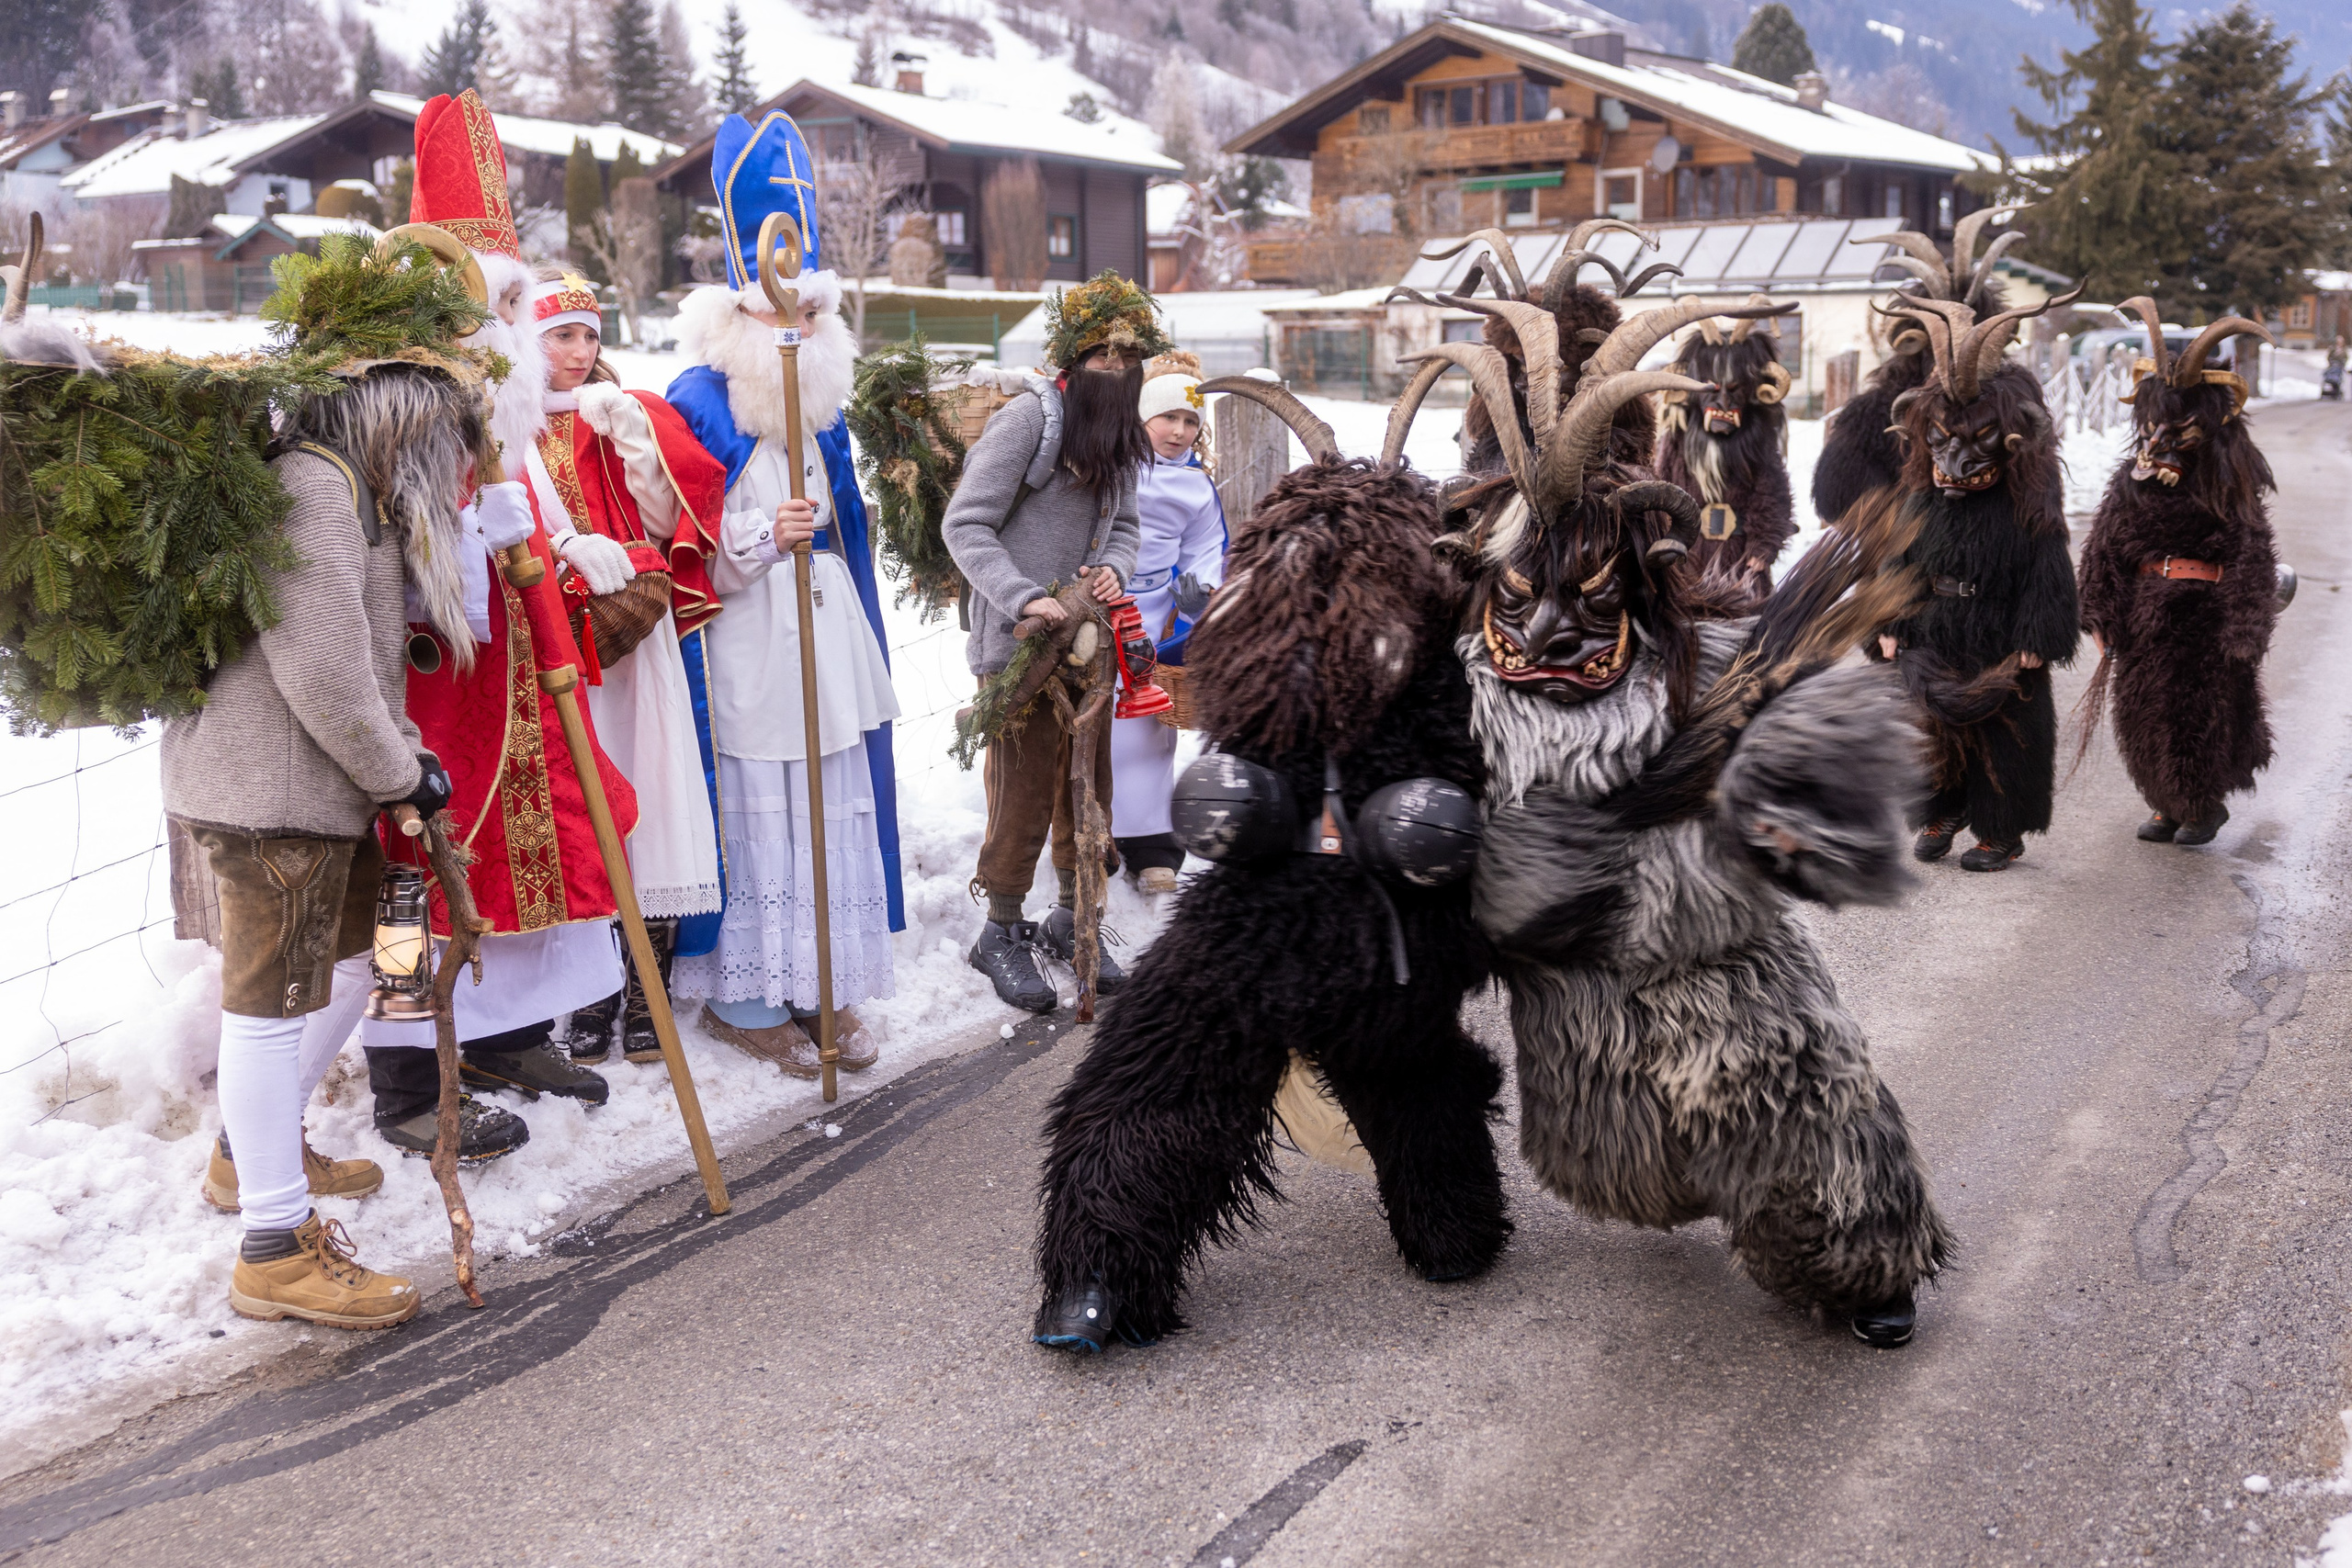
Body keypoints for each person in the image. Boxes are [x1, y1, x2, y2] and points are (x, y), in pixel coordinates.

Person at [1439, 263, 1952, 1348]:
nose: (1540, 640)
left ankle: (1859, 1265)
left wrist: (1760, 825)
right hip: (1576, 1003)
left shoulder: (1706, 667)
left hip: (1728, 987)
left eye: (1583, 602)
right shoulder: (1457, 686)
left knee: (1790, 1128)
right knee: (1634, 1165)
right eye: (1521, 602)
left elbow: (1835, 796)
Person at [1032, 389, 1507, 1352]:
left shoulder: (1449, 658)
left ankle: (1449, 1221)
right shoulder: (1266, 647)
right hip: (1261, 911)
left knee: (1409, 1075)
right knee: (1155, 1063)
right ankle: (1098, 1271)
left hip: (1395, 924)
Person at [164, 290, 493, 1325]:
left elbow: (361, 670)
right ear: (400, 415)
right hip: (273, 798)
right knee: (265, 1009)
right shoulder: (316, 488)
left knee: (357, 970)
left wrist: (401, 761)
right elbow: (322, 674)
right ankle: (272, 1245)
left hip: (323, 793)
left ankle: (244, 1153)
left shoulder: (355, 488)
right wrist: (402, 774)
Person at [357, 89, 639, 1153]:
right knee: (413, 868)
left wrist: (563, 543)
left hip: (517, 663)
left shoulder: (497, 391)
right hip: (431, 677)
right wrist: (479, 539)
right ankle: (401, 1074)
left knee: (544, 840)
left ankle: (508, 1030)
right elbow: (396, 544)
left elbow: (521, 482)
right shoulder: (396, 392)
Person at [663, 109, 902, 1076]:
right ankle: (749, 994)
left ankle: (822, 981)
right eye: (781, 315)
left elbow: (845, 521)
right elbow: (685, 554)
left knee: (829, 798)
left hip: (821, 634)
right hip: (748, 641)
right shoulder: (698, 401)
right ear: (743, 314)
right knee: (764, 808)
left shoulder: (822, 404)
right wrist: (764, 536)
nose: (798, 328)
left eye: (810, 315)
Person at [524, 273, 731, 1064]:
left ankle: (650, 986)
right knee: (584, 803)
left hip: (630, 634)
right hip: (556, 642)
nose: (581, 353)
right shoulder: (509, 427)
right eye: (562, 335)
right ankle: (594, 987)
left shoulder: (619, 413)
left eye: (590, 335)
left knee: (650, 792)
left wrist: (637, 441)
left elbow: (667, 514)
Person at [944, 271, 1159, 1012]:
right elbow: (963, 524)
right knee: (1025, 789)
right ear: (1073, 361)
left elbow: (1126, 527)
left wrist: (1111, 570)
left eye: (1129, 361)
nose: (1117, 371)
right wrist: (1023, 597)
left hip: (1087, 646)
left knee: (1089, 790)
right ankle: (999, 930)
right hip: (1018, 647)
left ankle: (1075, 917)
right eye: (1103, 357)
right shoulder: (1027, 423)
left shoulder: (1117, 435)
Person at [1872, 290, 2081, 873]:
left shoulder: (2029, 496)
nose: (1954, 463)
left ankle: (2001, 829)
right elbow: (1900, 556)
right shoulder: (1921, 488)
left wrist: (2040, 633)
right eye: (1943, 440)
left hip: (2000, 629)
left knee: (2005, 729)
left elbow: (2049, 562)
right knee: (1926, 721)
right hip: (1934, 625)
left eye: (1978, 441)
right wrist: (1888, 622)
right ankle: (1940, 810)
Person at [2076, 303, 2279, 846]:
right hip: (2145, 615)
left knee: (2194, 713)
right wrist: (2097, 607)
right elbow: (2105, 543)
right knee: (2141, 710)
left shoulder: (2227, 478)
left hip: (2203, 616)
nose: (2161, 436)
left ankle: (2199, 805)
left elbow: (2252, 552)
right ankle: (2163, 803)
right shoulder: (2134, 478)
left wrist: (2243, 627)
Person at [1109, 358, 1227, 893]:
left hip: (1155, 609)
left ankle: (1151, 841)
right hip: (1097, 597)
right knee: (1094, 723)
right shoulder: (1111, 465)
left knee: (1149, 727)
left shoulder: (1199, 487)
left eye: (1191, 422)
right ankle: (1089, 831)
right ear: (1142, 417)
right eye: (1168, 418)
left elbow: (1205, 546)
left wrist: (1198, 590)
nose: (1179, 432)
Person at [1654, 304, 1797, 612]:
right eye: (1712, 390)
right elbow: (1662, 490)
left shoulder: (1758, 443)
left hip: (1740, 558)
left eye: (1734, 391)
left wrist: (1764, 543)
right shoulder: (1677, 440)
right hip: (1687, 557)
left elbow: (1771, 494)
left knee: (1742, 625)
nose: (1723, 402)